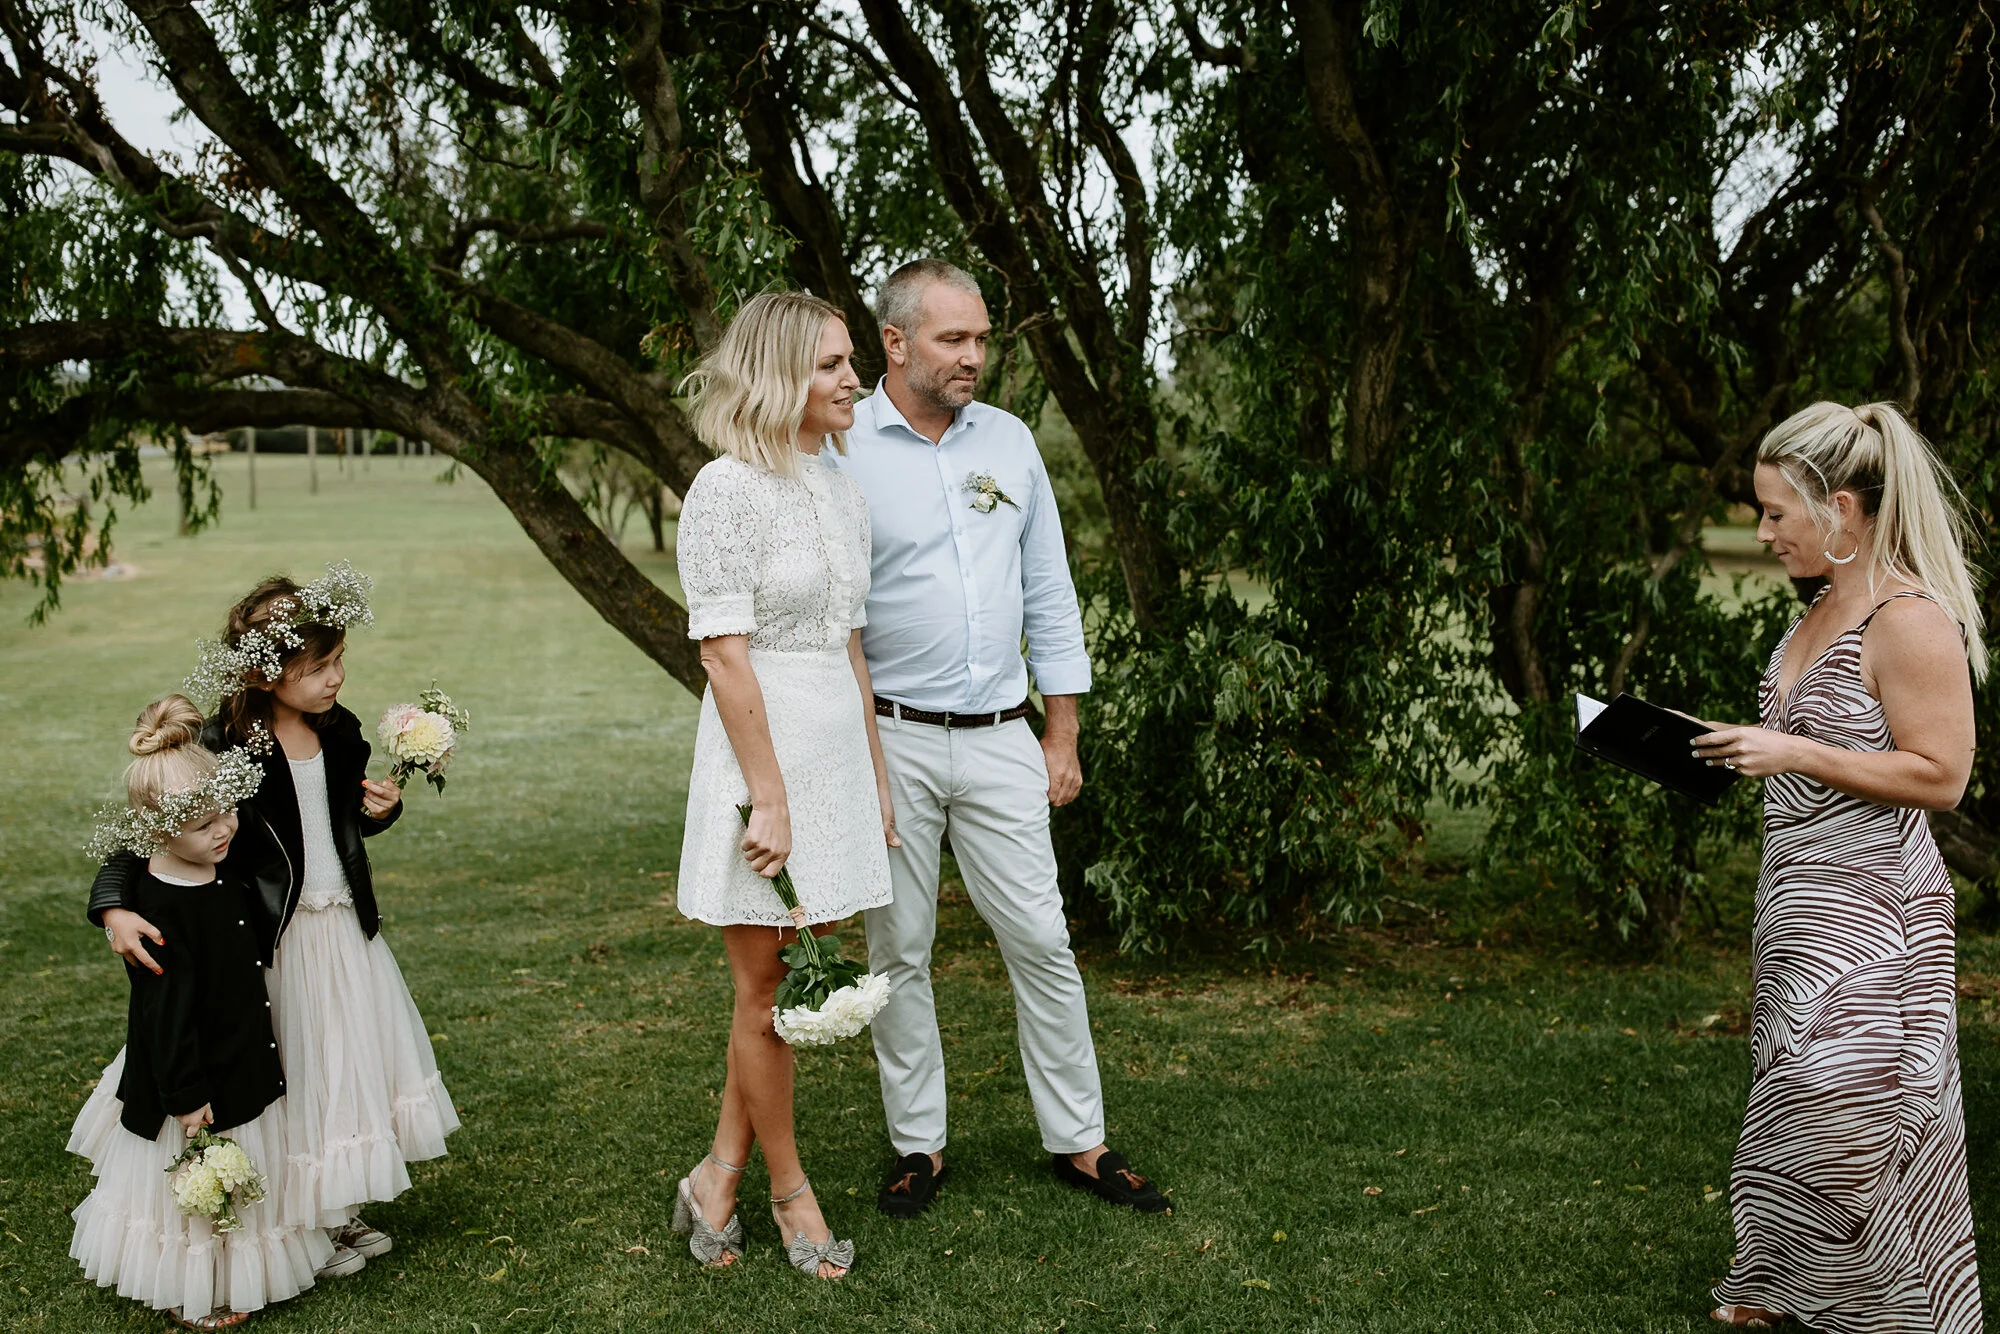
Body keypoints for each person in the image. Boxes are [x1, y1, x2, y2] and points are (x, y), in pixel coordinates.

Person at [826, 258, 1168, 1218]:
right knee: (899, 951)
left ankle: (1081, 1142)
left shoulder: (1010, 444)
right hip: (889, 737)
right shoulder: (841, 450)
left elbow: (1050, 592)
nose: (974, 355)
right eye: (953, 339)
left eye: (980, 338)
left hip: (1000, 737)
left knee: (1043, 941)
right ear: (895, 342)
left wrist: (1061, 732)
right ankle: (918, 1146)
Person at [1691, 401, 1984, 1331]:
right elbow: (1810, 744)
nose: (1763, 532)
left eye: (1778, 512)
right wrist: (1727, 748)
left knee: (1857, 1115)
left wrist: (1796, 753)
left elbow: (1942, 776)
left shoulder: (1909, 620)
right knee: (1791, 1102)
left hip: (1877, 917)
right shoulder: (1820, 610)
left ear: (1843, 509)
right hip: (1797, 906)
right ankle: (1783, 1289)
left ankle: (1892, 1308)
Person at [88, 566, 459, 1278]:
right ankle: (293, 1221)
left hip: (342, 925)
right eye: (317, 667)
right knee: (290, 1073)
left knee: (343, 1067)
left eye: (339, 659)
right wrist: (112, 906)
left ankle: (334, 1206)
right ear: (263, 673)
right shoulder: (223, 747)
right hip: (270, 940)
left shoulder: (339, 732)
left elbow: (330, 828)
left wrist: (380, 812)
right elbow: (144, 834)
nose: (336, 678)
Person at [670, 290, 896, 1279]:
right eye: (831, 364)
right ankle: (790, 1192)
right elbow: (723, 654)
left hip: (833, 758)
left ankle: (715, 1175)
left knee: (780, 985)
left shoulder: (840, 484)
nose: (853, 378)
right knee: (764, 991)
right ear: (777, 375)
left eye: (850, 360)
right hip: (760, 758)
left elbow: (851, 644)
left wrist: (874, 775)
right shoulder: (725, 489)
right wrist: (769, 796)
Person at [69, 696, 333, 1330]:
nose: (224, 830)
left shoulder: (217, 868)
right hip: (193, 1083)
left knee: (241, 1182)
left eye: (227, 813)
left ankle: (241, 1269)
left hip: (240, 1056)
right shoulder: (159, 912)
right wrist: (186, 1097)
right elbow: (164, 1017)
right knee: (195, 1189)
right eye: (204, 825)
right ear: (157, 834)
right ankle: (189, 1287)